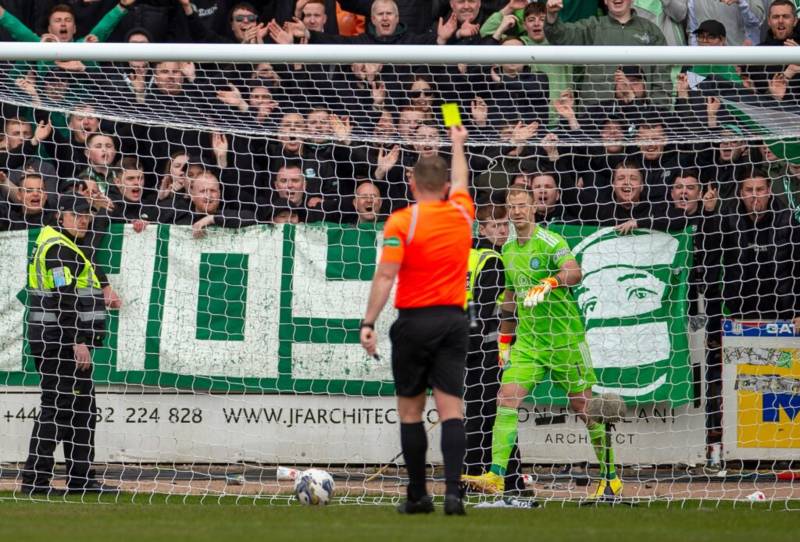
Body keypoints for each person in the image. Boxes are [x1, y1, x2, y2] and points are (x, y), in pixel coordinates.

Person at [462, 186, 622, 500]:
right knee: (506, 399)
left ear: (534, 207)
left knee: (584, 408)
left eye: (522, 205)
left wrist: (550, 282)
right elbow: (509, 298)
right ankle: (496, 475)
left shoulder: (551, 241)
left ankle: (610, 477)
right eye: (512, 207)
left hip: (564, 341)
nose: (517, 211)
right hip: (530, 344)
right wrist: (505, 343)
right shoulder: (507, 249)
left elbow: (574, 272)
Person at [360, 125, 473, 516]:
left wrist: (368, 322)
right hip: (453, 321)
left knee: (411, 412)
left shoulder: (401, 222)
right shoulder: (461, 213)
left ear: (411, 183)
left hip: (413, 322)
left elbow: (386, 275)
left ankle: (418, 495)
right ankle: (454, 494)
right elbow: (461, 177)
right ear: (444, 187)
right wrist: (457, 143)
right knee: (451, 410)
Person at [19, 194, 115, 496]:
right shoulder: (59, 249)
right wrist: (78, 340)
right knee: (58, 410)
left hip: (57, 341)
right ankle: (36, 480)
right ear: (61, 216)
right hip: (60, 343)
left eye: (87, 214)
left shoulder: (64, 244)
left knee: (82, 411)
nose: (83, 219)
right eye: (76, 214)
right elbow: (64, 299)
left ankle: (81, 479)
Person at [463, 203, 525, 494]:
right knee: (497, 415)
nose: (501, 230)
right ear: (482, 229)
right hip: (485, 348)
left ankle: (470, 476)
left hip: (462, 345)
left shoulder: (467, 256)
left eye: (504, 225)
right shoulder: (493, 258)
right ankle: (511, 483)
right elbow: (484, 310)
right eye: (494, 225)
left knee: (477, 414)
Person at [543, 0, 672, 106]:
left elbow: (662, 77)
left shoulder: (651, 31)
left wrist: (657, 115)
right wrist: (551, 16)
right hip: (596, 115)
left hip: (638, 115)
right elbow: (560, 36)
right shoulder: (593, 27)